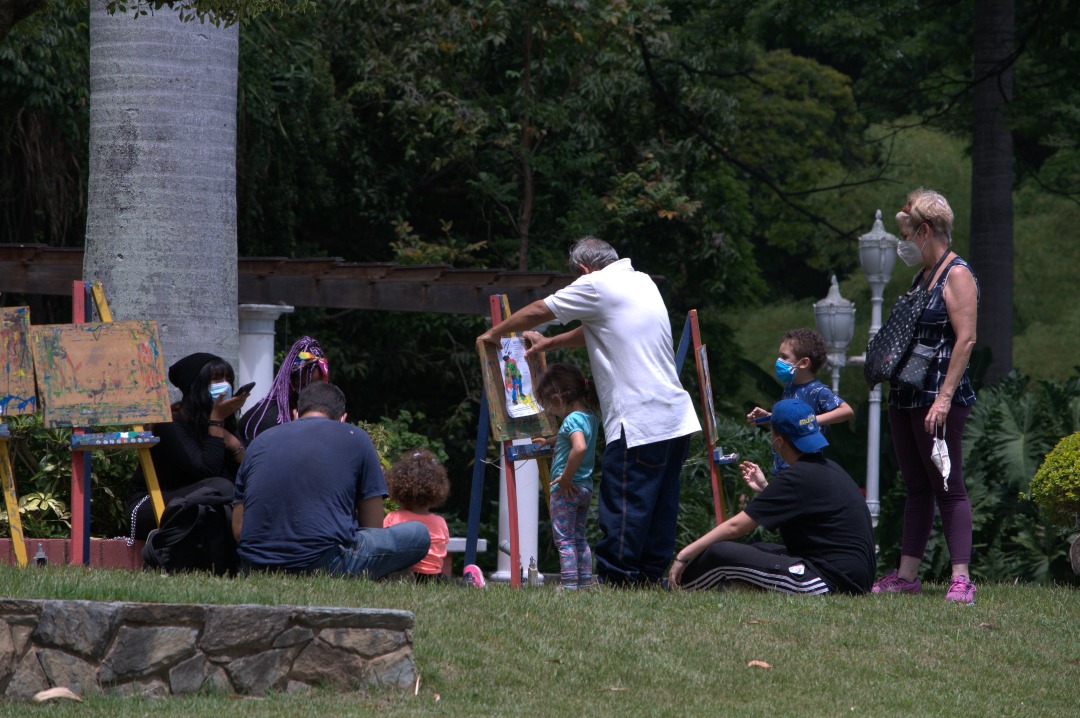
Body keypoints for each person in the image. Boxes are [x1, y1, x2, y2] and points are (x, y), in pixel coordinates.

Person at [477, 236, 700, 587]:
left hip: (639, 420)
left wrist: (494, 333)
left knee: (624, 503)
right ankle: (648, 578)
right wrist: (551, 343)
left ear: (583, 269)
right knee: (660, 505)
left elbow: (539, 310)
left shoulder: (595, 284)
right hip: (676, 417)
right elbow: (599, 327)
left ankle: (618, 579)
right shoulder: (640, 281)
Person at [873, 188, 980, 604]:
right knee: (917, 487)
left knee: (947, 484)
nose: (904, 243)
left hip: (937, 398)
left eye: (907, 234)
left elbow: (965, 339)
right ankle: (906, 576)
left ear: (925, 230)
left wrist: (944, 399)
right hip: (906, 396)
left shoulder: (957, 274)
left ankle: (961, 578)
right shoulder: (922, 277)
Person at [670, 399, 876, 595]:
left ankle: (678, 586)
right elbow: (805, 509)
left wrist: (683, 555)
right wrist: (766, 489)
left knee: (720, 553)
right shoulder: (829, 468)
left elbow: (735, 527)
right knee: (758, 549)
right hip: (853, 578)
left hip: (832, 581)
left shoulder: (797, 477)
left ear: (779, 442)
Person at [231, 382, 430, 577]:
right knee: (418, 533)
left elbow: (239, 530)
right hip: (322, 563)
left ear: (295, 414)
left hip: (254, 565)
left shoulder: (259, 443)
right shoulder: (356, 437)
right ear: (342, 419)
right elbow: (373, 527)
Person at [126, 352, 251, 541]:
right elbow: (206, 471)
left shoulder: (225, 423)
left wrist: (234, 444)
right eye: (217, 379)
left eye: (228, 379)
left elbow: (249, 474)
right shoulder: (171, 424)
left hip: (196, 502)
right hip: (150, 504)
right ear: (197, 386)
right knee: (221, 486)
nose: (225, 385)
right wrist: (216, 422)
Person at [747, 328, 854, 474]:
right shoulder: (789, 387)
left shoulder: (817, 390)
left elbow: (846, 411)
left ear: (803, 363)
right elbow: (793, 421)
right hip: (784, 467)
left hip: (806, 468)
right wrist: (768, 417)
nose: (779, 361)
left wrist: (811, 420)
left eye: (784, 357)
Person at [533, 363, 601, 591]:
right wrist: (551, 441)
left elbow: (579, 447)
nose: (550, 411)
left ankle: (569, 585)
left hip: (566, 490)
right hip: (584, 489)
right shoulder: (589, 417)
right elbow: (573, 439)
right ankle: (584, 582)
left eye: (550, 405)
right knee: (579, 538)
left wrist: (565, 478)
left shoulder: (571, 420)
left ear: (559, 398)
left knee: (564, 540)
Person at [383, 448, 485, 586]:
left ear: (398, 491)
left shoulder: (393, 518)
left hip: (402, 574)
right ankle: (471, 584)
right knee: (451, 583)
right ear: (436, 493)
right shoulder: (439, 522)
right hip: (432, 576)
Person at [238, 336, 328, 446]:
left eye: (317, 386)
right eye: (304, 386)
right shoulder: (267, 421)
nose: (311, 393)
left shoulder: (306, 415)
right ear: (287, 381)